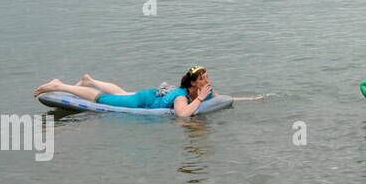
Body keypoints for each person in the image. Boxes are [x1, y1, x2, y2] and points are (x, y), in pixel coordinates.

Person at [32, 67, 259, 118]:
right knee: (104, 98)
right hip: (144, 101)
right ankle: (59, 85)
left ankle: (88, 80)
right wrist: (198, 100)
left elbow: (221, 99)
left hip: (151, 96)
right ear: (193, 83)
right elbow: (182, 115)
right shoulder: (182, 95)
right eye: (203, 79)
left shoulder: (206, 91)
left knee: (122, 92)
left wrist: (250, 99)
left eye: (207, 77)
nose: (207, 81)